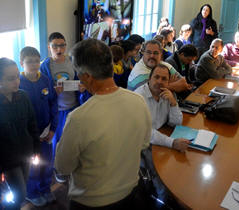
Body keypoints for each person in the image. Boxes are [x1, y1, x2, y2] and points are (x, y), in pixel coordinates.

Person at [55, 39, 152, 210]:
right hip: (130, 195)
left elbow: (62, 167)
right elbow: (144, 143)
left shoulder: (79, 118)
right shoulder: (138, 101)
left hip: (92, 201)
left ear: (86, 76)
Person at [19, 47, 58, 207]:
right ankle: (32, 192)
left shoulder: (46, 80)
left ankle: (45, 188)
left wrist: (53, 128)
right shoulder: (19, 83)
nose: (34, 65)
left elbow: (53, 104)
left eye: (36, 61)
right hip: (29, 135)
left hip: (46, 131)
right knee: (32, 164)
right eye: (29, 62)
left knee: (47, 162)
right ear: (22, 63)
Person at [40, 32, 81, 183]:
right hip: (58, 110)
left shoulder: (72, 61)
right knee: (57, 142)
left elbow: (79, 80)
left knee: (72, 140)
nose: (59, 49)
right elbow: (43, 89)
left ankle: (71, 166)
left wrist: (81, 87)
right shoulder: (45, 65)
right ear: (49, 47)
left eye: (62, 45)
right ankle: (57, 169)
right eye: (55, 46)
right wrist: (52, 91)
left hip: (74, 106)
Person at [0, 57, 40, 210]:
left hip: (26, 153)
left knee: (21, 191)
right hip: (7, 160)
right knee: (20, 194)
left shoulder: (23, 96)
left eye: (17, 76)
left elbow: (32, 124)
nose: (16, 81)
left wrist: (36, 149)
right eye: (10, 78)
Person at [135, 64, 191, 152]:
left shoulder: (167, 94)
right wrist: (172, 143)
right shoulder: (138, 97)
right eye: (156, 77)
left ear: (168, 83)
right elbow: (146, 133)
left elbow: (176, 123)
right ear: (149, 79)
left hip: (160, 140)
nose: (159, 81)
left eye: (164, 79)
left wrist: (173, 103)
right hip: (141, 147)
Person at [127, 40, 192, 92]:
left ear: (161, 54)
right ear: (143, 53)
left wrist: (164, 86)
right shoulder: (139, 73)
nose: (152, 56)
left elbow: (184, 84)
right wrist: (170, 84)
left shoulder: (165, 65)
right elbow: (154, 93)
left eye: (156, 53)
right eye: (148, 52)